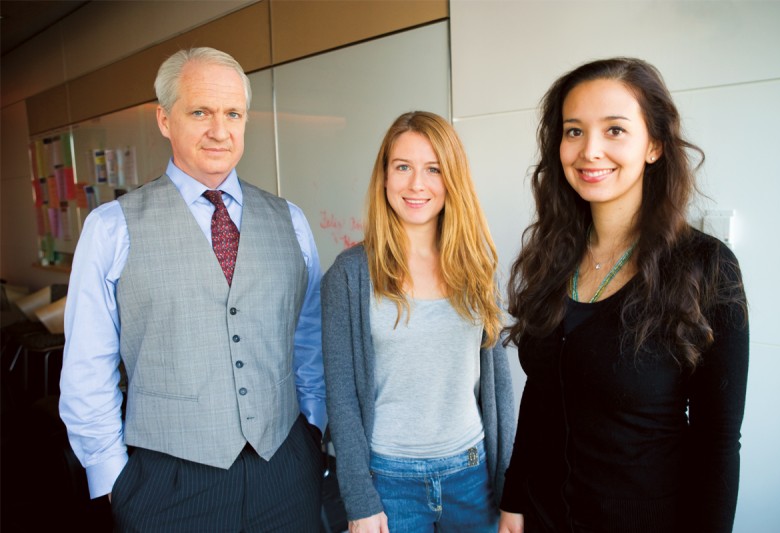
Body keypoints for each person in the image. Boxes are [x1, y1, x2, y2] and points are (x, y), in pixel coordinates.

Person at [59, 47, 326, 531]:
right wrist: (113, 479)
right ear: (164, 119)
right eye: (200, 111)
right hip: (167, 482)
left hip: (286, 469)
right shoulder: (111, 228)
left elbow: (309, 341)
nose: (219, 130)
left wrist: (312, 428)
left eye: (233, 114)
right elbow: (86, 368)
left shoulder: (291, 221)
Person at [498, 57, 749, 533]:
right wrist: (515, 498)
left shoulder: (704, 267)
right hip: (544, 517)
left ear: (654, 144)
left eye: (614, 130)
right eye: (574, 131)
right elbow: (542, 395)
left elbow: (718, 442)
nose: (589, 150)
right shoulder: (553, 256)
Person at [322, 111, 515, 532]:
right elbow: (341, 399)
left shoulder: (477, 266)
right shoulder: (349, 276)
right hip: (389, 484)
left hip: (472, 477)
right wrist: (359, 501)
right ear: (385, 177)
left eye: (433, 169)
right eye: (403, 167)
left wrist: (510, 487)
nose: (416, 184)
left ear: (452, 180)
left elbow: (499, 387)